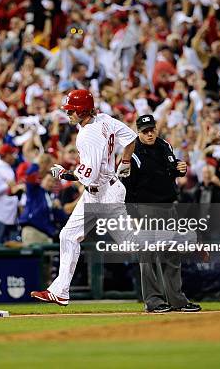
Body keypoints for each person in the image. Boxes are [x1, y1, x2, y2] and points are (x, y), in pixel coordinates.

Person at [30, 89, 137, 306]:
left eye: (71, 110)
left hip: (105, 194)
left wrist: (64, 174)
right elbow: (131, 138)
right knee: (68, 236)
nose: (68, 113)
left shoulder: (87, 135)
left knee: (130, 242)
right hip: (98, 192)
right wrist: (125, 161)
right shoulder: (104, 119)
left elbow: (88, 176)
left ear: (81, 110)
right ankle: (60, 291)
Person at [121, 114, 201, 313]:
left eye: (152, 130)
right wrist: (132, 216)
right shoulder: (132, 151)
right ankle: (153, 301)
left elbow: (169, 169)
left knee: (171, 255)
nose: (149, 134)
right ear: (137, 132)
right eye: (145, 131)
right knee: (147, 257)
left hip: (168, 206)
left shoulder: (164, 145)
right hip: (145, 208)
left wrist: (179, 169)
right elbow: (127, 187)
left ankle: (177, 301)